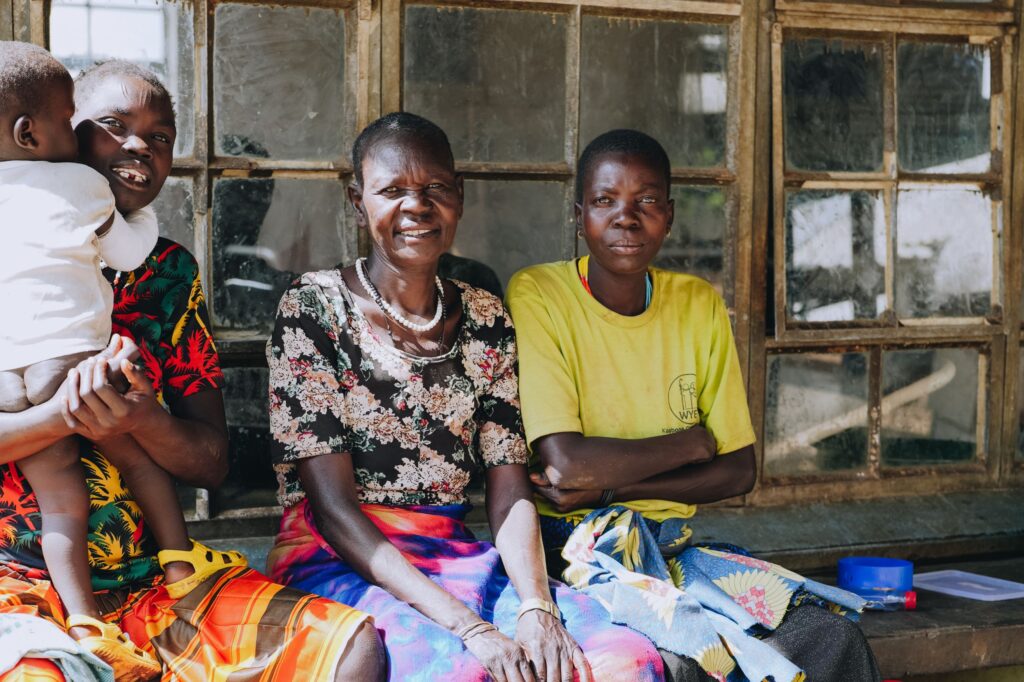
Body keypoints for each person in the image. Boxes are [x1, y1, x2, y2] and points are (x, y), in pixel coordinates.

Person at [0, 60, 384, 682]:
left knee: (350, 649)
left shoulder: (168, 274)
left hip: (158, 578)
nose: (138, 147)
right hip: (20, 587)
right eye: (112, 126)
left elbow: (212, 463)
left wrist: (143, 417)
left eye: (160, 137)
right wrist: (61, 414)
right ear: (62, 133)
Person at [265, 112, 663, 682]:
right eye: (392, 191)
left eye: (434, 189)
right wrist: (470, 628)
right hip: (340, 559)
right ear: (358, 202)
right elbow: (331, 509)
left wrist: (535, 607)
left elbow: (509, 485)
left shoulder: (484, 317)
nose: (416, 206)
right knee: (462, 672)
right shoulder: (314, 310)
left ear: (459, 195)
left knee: (622, 661)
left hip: (455, 554)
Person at [506, 129, 881, 682]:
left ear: (671, 215)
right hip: (579, 555)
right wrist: (689, 444)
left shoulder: (698, 304)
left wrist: (615, 488)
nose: (626, 218)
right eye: (606, 201)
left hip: (674, 549)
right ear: (579, 212)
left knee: (830, 637)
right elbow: (568, 465)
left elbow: (737, 470)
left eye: (647, 202)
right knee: (682, 661)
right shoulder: (539, 293)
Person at [0, 42, 165, 679]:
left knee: (60, 505)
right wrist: (138, 217)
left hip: (9, 378)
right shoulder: (80, 185)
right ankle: (176, 564)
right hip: (73, 361)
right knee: (135, 454)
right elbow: (124, 253)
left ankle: (84, 621)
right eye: (78, 121)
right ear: (31, 131)